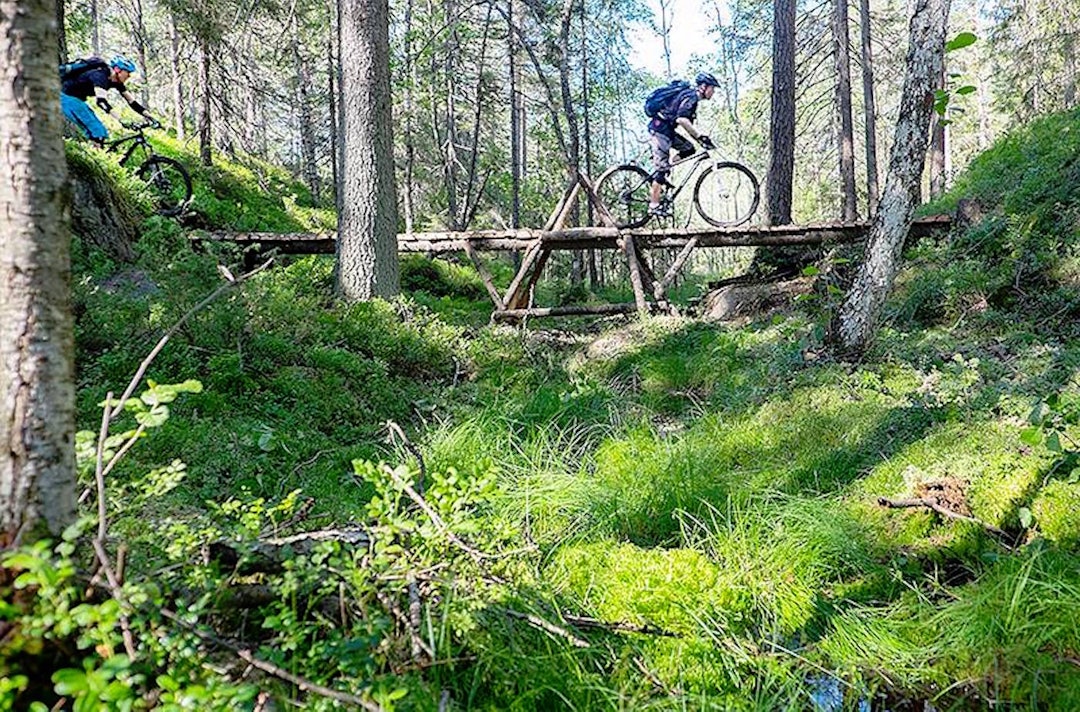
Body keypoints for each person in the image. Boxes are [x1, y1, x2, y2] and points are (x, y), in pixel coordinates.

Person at [646, 71, 720, 216]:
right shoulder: (691, 96)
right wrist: (700, 136)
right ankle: (653, 205)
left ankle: (664, 171)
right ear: (704, 87)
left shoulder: (692, 98)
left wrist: (700, 139)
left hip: (667, 130)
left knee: (688, 150)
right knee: (661, 170)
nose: (713, 92)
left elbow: (685, 122)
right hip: (660, 130)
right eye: (712, 88)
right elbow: (682, 120)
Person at [60, 55, 158, 144]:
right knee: (97, 132)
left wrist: (150, 117)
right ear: (117, 69)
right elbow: (101, 102)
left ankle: (96, 156)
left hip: (76, 99)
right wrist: (121, 119)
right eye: (127, 72)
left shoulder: (116, 81)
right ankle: (92, 158)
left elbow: (132, 102)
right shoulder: (100, 76)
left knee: (101, 132)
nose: (129, 75)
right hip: (65, 96)